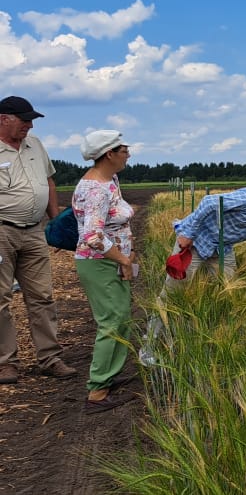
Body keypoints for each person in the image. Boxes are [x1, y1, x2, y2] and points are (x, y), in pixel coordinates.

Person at [0, 95, 77, 384]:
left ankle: (49, 358)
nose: (30, 126)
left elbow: (48, 182)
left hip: (34, 231)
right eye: (24, 120)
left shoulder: (36, 146)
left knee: (42, 296)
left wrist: (55, 222)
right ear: (3, 119)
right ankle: (6, 363)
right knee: (1, 299)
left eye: (31, 120)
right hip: (2, 231)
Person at [72, 130, 137, 413]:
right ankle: (97, 392)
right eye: (124, 149)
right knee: (112, 321)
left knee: (121, 318)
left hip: (111, 260)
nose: (129, 153)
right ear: (109, 154)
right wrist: (123, 260)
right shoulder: (96, 189)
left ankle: (108, 377)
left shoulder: (110, 180)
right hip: (101, 262)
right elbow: (92, 237)